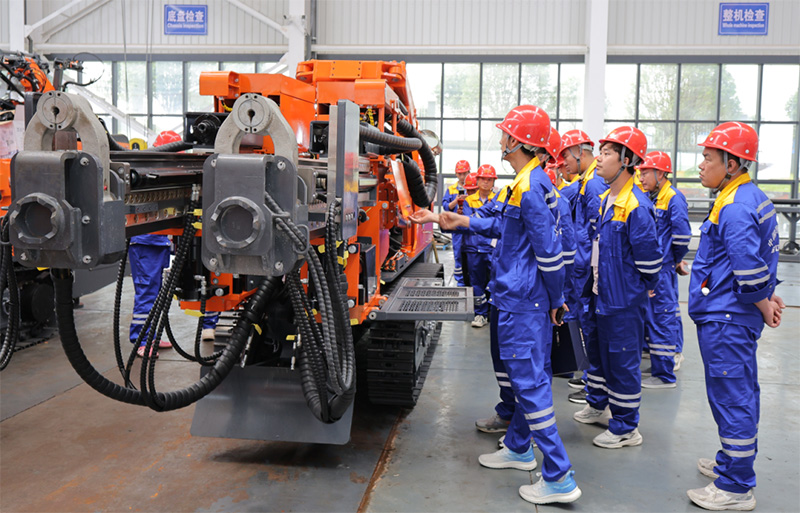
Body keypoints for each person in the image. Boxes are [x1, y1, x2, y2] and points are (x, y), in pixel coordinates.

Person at [411, 105, 581, 505]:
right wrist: (457, 221)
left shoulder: (530, 187)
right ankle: (519, 447)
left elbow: (550, 254)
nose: (501, 139)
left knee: (530, 384)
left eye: (506, 134)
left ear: (518, 142)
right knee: (529, 379)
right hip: (522, 297)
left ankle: (559, 475)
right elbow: (506, 226)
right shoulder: (527, 182)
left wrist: (557, 299)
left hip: (524, 301)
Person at [686, 122, 784, 511]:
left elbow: (747, 266)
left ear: (731, 164)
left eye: (708, 158)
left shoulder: (736, 205)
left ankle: (736, 485)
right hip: (730, 312)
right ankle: (731, 461)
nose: (701, 165)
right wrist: (767, 297)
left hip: (728, 316)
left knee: (732, 397)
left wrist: (763, 301)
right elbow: (757, 257)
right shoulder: (745, 196)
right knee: (738, 392)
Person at [572, 126, 662, 450]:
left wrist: (639, 289)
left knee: (622, 362)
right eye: (601, 152)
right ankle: (597, 403)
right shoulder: (605, 200)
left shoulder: (636, 206)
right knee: (597, 355)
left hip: (623, 301)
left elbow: (650, 261)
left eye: (607, 153)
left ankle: (625, 426)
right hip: (600, 294)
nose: (599, 158)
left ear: (626, 160)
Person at [636, 151, 691, 389]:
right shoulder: (653, 197)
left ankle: (665, 374)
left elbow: (682, 237)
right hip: (656, 268)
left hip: (663, 268)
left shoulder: (673, 198)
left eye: (645, 173)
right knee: (656, 317)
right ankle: (660, 365)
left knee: (663, 316)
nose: (641, 178)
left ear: (660, 173)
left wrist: (674, 259)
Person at [559, 129, 607, 404]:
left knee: (590, 330)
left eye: (566, 155)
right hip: (582, 269)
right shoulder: (585, 182)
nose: (564, 162)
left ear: (579, 151)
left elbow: (597, 235)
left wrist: (589, 273)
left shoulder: (594, 185)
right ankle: (590, 383)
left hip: (587, 272)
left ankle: (594, 388)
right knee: (586, 327)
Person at [462, 166, 497, 328]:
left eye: (489, 179)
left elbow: (497, 222)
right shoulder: (469, 201)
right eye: (483, 179)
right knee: (476, 282)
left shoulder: (497, 200)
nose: (486, 182)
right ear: (477, 180)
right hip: (473, 248)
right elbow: (468, 223)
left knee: (495, 281)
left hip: (492, 248)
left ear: (493, 182)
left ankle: (493, 313)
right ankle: (480, 314)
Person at [441, 160, 471, 286]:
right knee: (458, 252)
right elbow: (445, 206)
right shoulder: (451, 189)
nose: (462, 176)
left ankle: (471, 277)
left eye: (465, 173)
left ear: (469, 172)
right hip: (457, 227)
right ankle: (460, 279)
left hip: (470, 225)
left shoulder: (473, 188)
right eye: (460, 174)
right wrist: (456, 201)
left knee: (472, 252)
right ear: (456, 174)